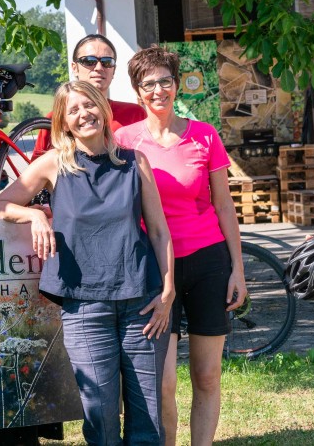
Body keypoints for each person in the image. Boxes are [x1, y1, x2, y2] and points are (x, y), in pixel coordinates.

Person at [0, 80, 175, 446]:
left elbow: (158, 232)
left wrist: (168, 292)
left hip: (141, 301)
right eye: (72, 110)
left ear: (103, 110)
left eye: (88, 105)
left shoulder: (134, 162)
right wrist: (36, 217)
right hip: (83, 305)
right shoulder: (53, 165)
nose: (83, 114)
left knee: (148, 416)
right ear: (63, 121)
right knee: (99, 414)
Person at [114, 45, 244, 446]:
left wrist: (237, 268)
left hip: (208, 262)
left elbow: (224, 205)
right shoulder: (123, 140)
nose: (158, 90)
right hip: (154, 268)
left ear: (176, 85)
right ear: (138, 93)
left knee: (206, 375)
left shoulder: (204, 134)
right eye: (148, 84)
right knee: (163, 383)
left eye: (165, 81)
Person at [29, 33, 147, 160]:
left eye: (107, 62)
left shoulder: (134, 114)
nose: (98, 67)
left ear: (114, 70)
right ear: (74, 68)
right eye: (89, 61)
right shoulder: (55, 119)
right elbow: (36, 174)